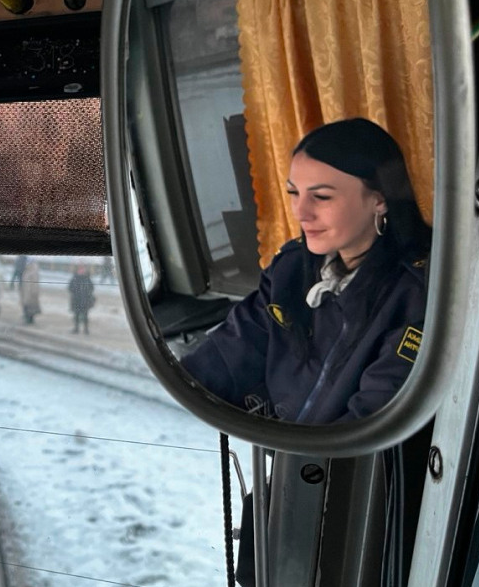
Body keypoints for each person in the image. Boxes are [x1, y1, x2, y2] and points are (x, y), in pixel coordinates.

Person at [181, 117, 430, 425]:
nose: (300, 212)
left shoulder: (416, 293)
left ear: (379, 199)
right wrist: (178, 384)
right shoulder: (290, 271)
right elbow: (227, 355)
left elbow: (373, 422)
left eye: (321, 196)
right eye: (293, 193)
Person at [68, 265, 96, 334]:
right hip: (76, 300)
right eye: (80, 269)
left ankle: (86, 329)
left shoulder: (87, 278)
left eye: (82, 269)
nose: (81, 271)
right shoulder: (75, 278)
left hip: (85, 300)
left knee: (85, 315)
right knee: (76, 315)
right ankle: (76, 328)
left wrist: (87, 293)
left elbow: (92, 288)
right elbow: (70, 288)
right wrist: (75, 292)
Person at [18, 258, 42, 325]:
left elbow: (34, 283)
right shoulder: (28, 271)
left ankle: (29, 319)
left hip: (30, 292)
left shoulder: (33, 271)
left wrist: (34, 292)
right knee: (27, 305)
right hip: (26, 291)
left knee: (30, 306)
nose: (26, 264)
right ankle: (28, 319)